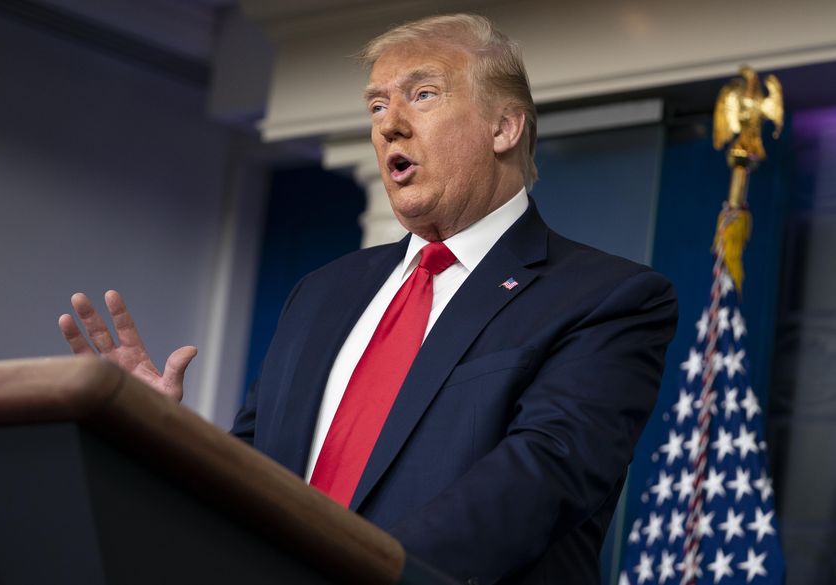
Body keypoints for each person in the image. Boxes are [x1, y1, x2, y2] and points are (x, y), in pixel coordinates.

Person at [59, 14, 678, 585]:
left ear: (504, 126)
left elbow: (538, 481)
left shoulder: (606, 298)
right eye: (377, 104)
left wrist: (347, 570)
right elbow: (251, 474)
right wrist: (159, 437)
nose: (388, 123)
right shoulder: (323, 293)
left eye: (422, 93)